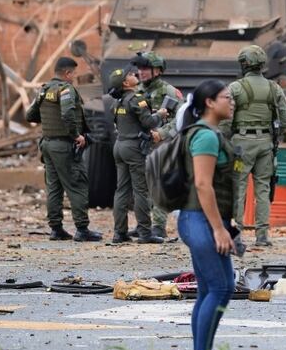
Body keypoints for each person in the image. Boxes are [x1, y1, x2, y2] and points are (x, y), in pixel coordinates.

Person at [177, 79, 237, 350]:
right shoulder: (206, 137)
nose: (232, 102)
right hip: (200, 220)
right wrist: (218, 228)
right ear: (210, 103)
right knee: (220, 288)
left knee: (213, 289)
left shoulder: (208, 133)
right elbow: (203, 185)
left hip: (198, 219)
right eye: (227, 97)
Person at [25, 57, 102, 242]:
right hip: (64, 146)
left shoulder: (44, 90)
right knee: (76, 185)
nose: (75, 77)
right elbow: (67, 114)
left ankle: (56, 229)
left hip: (47, 145)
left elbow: (30, 115)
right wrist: (77, 135)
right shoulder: (66, 90)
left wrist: (49, 120)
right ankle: (82, 229)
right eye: (74, 73)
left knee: (54, 188)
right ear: (67, 73)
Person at [227, 45, 286, 247]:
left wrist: (226, 138)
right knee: (263, 188)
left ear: (243, 64)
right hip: (266, 144)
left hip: (240, 145)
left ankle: (236, 232)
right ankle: (262, 235)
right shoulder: (274, 88)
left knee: (239, 187)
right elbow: (285, 120)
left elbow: (225, 118)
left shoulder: (235, 88)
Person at [108, 68, 167, 244]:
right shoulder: (136, 99)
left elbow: (128, 120)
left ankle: (119, 233)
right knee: (141, 190)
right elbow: (148, 122)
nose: (135, 75)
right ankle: (145, 232)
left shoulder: (117, 102)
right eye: (130, 75)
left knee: (122, 190)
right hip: (134, 148)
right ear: (126, 84)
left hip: (119, 146)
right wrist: (160, 115)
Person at [135, 51, 184, 239]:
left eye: (146, 68)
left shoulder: (169, 92)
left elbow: (179, 120)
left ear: (158, 70)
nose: (142, 72)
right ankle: (143, 225)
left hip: (161, 145)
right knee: (141, 186)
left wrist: (161, 134)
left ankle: (158, 226)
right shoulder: (136, 91)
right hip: (138, 145)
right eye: (140, 68)